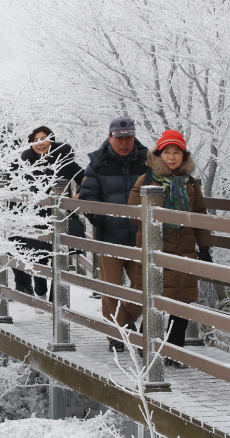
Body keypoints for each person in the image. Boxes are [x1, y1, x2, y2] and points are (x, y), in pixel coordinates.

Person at [128, 129, 212, 367]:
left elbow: (200, 215)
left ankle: (175, 352)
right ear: (159, 154)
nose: (172, 157)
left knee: (182, 301)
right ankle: (148, 345)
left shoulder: (191, 183)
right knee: (154, 297)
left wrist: (205, 248)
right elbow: (134, 214)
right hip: (157, 249)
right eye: (167, 152)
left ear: (183, 156)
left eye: (177, 152)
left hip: (185, 250)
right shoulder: (147, 180)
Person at [78, 117, 148, 352]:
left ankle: (126, 323)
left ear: (134, 137)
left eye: (128, 138)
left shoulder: (147, 162)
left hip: (140, 238)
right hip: (110, 238)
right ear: (110, 137)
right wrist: (105, 221)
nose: (124, 143)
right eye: (119, 138)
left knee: (144, 285)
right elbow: (87, 199)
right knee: (111, 288)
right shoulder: (97, 164)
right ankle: (116, 335)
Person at [17, 126, 85, 299]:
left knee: (60, 257)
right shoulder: (26, 165)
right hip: (35, 217)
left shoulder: (64, 161)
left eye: (44, 138)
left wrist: (77, 197)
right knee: (38, 257)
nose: (41, 143)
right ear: (32, 144)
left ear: (51, 140)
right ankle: (40, 292)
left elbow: (87, 179)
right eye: (36, 140)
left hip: (60, 216)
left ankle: (57, 299)